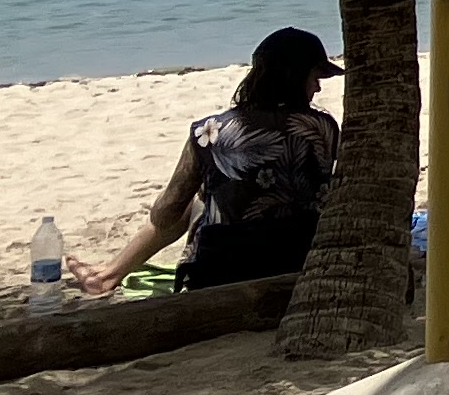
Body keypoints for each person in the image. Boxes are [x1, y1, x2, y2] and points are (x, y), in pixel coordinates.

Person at [68, 28, 341, 295]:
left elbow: (165, 214)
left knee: (193, 199)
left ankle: (108, 275)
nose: (317, 87)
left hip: (220, 269)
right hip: (297, 259)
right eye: (315, 78)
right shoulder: (323, 128)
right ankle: (108, 273)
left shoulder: (207, 132)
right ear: (295, 78)